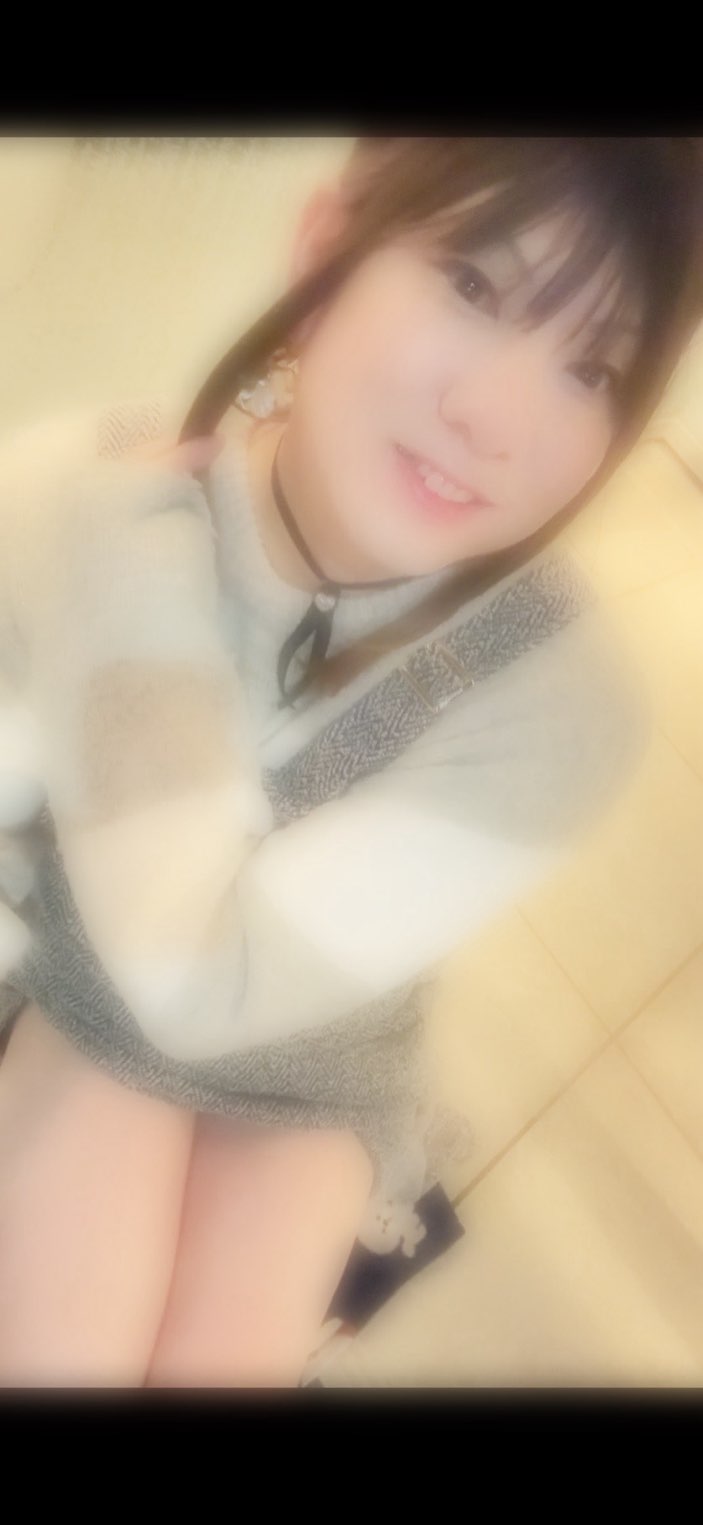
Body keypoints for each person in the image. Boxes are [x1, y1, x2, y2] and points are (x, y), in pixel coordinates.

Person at [0, 136, 701, 1389]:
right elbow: (141, 968)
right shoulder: (78, 485)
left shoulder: (565, 707)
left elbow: (208, 983)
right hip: (80, 950)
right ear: (327, 244)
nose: (496, 422)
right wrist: (123, 555)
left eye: (592, 367)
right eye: (474, 286)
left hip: (309, 1031)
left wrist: (118, 573)